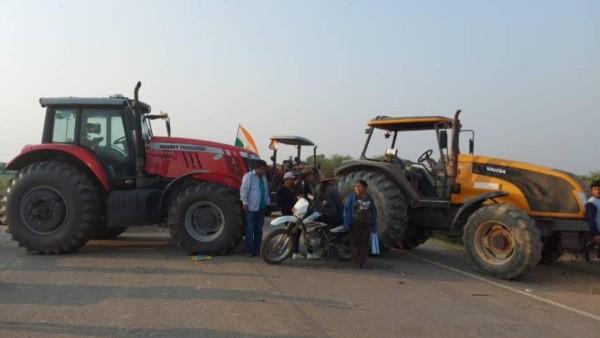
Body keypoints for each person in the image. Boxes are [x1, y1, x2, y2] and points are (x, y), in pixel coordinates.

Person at [343, 180, 377, 269]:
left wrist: (373, 224)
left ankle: (364, 263)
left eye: (359, 186)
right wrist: (347, 223)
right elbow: (346, 211)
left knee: (365, 244)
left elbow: (373, 211)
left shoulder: (369, 198)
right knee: (355, 244)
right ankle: (356, 263)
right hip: (355, 225)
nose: (357, 188)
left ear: (365, 188)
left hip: (366, 225)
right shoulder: (351, 197)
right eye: (356, 186)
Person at [240, 160, 270, 257]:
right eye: (261, 169)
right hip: (251, 208)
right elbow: (244, 190)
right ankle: (248, 250)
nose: (263, 171)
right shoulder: (248, 176)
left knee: (259, 230)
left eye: (264, 169)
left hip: (261, 208)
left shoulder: (263, 177)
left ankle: (257, 250)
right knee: (250, 231)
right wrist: (244, 202)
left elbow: (265, 191)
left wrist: (267, 202)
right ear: (256, 168)